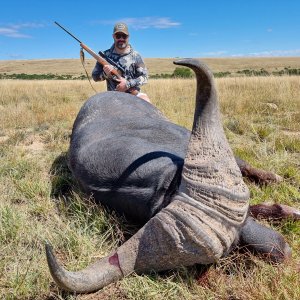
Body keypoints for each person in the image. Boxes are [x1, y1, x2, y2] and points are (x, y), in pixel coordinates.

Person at [92, 22, 150, 102]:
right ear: (113, 36)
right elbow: (95, 77)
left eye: (124, 36)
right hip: (113, 97)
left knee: (147, 102)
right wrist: (105, 74)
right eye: (118, 36)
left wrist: (128, 84)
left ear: (128, 37)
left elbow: (145, 77)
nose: (121, 39)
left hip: (133, 96)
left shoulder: (136, 56)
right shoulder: (105, 56)